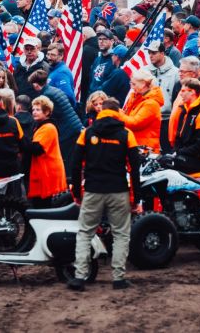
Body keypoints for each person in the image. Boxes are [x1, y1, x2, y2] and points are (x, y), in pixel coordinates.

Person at [69, 98, 141, 292]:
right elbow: (135, 168)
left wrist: (76, 193)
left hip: (93, 190)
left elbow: (75, 165)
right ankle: (118, 278)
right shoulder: (127, 134)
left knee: (85, 233)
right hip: (118, 190)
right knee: (120, 234)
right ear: (118, 112)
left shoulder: (87, 133)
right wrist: (136, 198)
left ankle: (79, 277)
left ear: (101, 111)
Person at [28, 70, 83, 176]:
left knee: (65, 160)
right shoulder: (53, 90)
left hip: (68, 130)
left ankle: (67, 182)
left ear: (35, 84)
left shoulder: (46, 96)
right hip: (74, 126)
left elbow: (49, 116)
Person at [26, 96, 68, 208]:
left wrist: (21, 138)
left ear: (47, 112)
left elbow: (37, 149)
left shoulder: (48, 127)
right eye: (33, 109)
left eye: (38, 110)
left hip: (48, 173)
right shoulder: (40, 126)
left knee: (44, 206)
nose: (34, 112)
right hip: (45, 172)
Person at [171, 78, 200, 173]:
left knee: (169, 164)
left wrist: (179, 153)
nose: (180, 94)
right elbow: (179, 139)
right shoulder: (184, 112)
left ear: (192, 92)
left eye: (183, 91)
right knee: (162, 162)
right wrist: (175, 153)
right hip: (186, 157)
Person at [147, 40, 179, 153]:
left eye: (154, 53)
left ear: (162, 53)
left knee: (167, 152)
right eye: (149, 53)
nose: (150, 55)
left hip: (167, 119)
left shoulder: (176, 73)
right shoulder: (144, 71)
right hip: (149, 119)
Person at [120, 69, 163, 152]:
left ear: (143, 84)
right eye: (131, 83)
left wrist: (117, 113)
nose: (131, 87)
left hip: (145, 150)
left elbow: (135, 123)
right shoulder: (136, 98)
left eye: (134, 84)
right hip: (136, 146)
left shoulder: (151, 104)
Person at [46, 42, 77, 107]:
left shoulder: (61, 72)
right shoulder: (54, 70)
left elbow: (68, 96)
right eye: (48, 54)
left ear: (61, 56)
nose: (49, 58)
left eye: (53, 55)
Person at [88, 29, 115, 94]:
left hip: (104, 97)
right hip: (92, 95)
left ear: (112, 41)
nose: (101, 41)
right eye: (99, 39)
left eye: (105, 39)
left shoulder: (114, 60)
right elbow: (91, 79)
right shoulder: (97, 59)